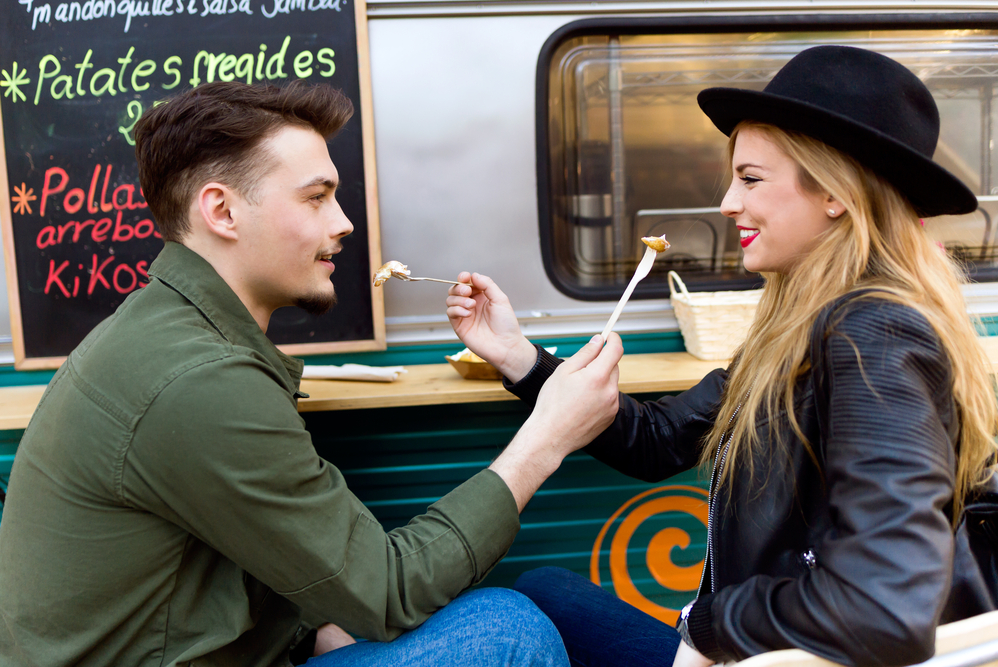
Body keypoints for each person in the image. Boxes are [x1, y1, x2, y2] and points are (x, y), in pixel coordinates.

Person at [0, 81, 625, 666]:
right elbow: (389, 590)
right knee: (511, 631)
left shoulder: (164, 331)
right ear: (221, 210)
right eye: (316, 197)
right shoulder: (199, 380)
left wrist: (315, 629)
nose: (343, 222)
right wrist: (548, 438)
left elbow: (235, 555)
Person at [446, 45, 998, 667]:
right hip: (762, 649)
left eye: (752, 179)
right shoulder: (800, 331)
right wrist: (518, 356)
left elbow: (884, 610)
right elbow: (661, 439)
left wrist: (707, 627)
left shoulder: (874, 335)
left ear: (836, 194)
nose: (727, 203)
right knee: (543, 590)